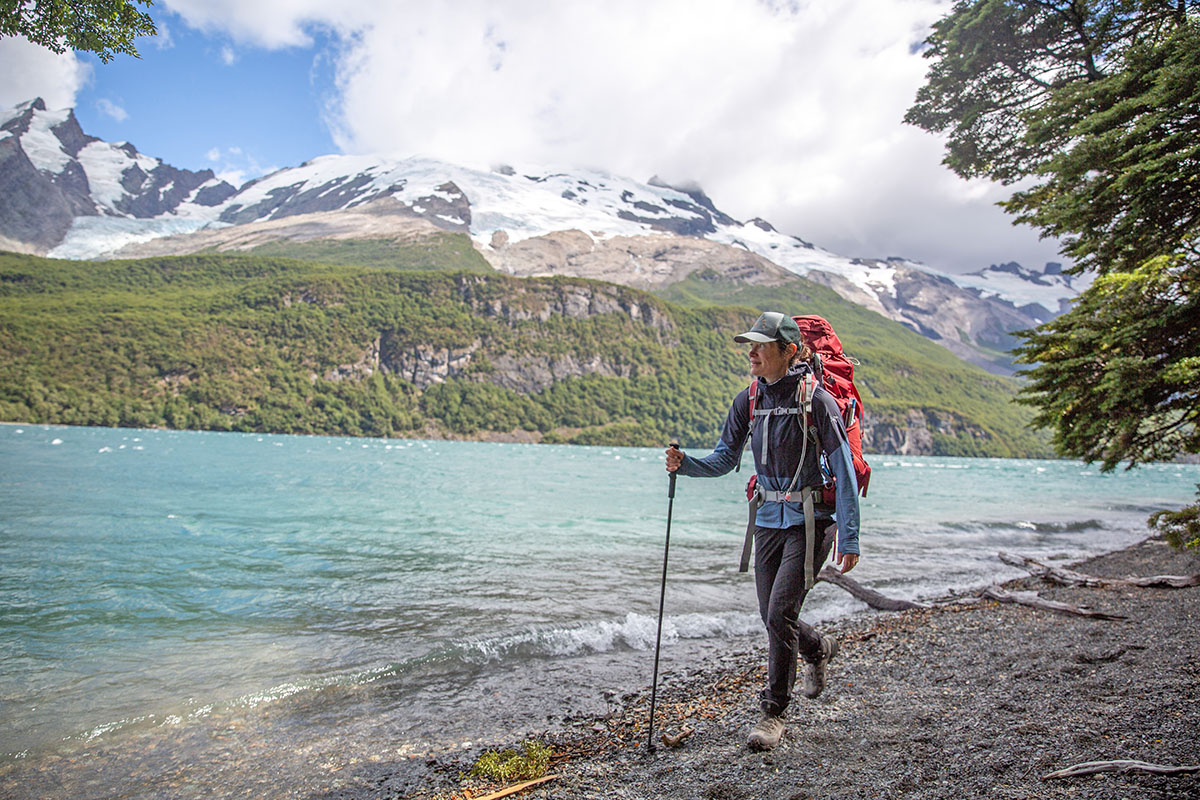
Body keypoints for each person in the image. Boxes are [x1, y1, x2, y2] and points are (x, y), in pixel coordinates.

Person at [664, 311, 860, 751]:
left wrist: (850, 535)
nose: (751, 352)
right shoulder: (748, 399)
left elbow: (844, 471)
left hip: (811, 523)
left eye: (760, 345)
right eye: (749, 345)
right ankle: (818, 648)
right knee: (771, 615)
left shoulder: (817, 401)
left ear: (788, 351)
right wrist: (686, 464)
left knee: (779, 614)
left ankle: (774, 713)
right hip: (768, 521)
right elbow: (723, 458)